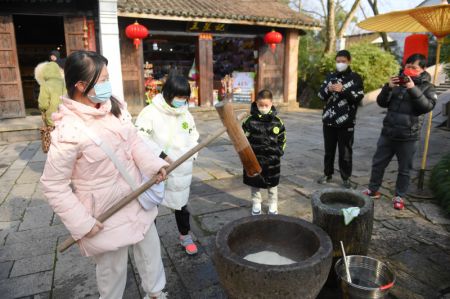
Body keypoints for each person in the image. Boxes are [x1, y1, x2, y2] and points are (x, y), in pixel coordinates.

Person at [40, 50, 169, 299]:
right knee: (112, 272)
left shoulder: (113, 108)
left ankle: (156, 294)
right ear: (80, 85)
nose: (108, 85)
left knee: (151, 255)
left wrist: (153, 165)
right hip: (104, 213)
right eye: (103, 80)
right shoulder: (68, 131)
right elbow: (53, 185)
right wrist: (82, 223)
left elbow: (134, 143)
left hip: (136, 197)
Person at [135, 73, 200, 255]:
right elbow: (140, 137)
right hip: (157, 167)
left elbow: (193, 137)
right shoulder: (150, 112)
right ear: (168, 93)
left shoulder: (185, 114)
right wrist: (161, 156)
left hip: (181, 168)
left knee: (181, 205)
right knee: (151, 206)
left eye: (185, 97)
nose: (182, 101)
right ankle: (149, 240)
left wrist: (192, 155)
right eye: (179, 97)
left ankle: (185, 235)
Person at [362, 53, 437, 210]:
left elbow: (427, 107)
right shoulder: (396, 82)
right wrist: (387, 87)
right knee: (378, 164)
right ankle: (373, 190)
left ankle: (399, 196)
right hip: (388, 132)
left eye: (413, 67)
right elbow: (382, 103)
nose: (409, 70)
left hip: (409, 136)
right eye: (407, 66)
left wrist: (412, 88)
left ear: (423, 69)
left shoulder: (428, 87)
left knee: (404, 169)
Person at [317, 50, 364, 188]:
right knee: (328, 150)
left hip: (346, 122)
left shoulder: (355, 78)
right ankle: (327, 173)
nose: (340, 64)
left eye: (343, 61)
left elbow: (358, 97)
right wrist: (328, 89)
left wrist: (343, 90)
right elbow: (320, 96)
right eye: (338, 61)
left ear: (349, 61)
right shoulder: (330, 76)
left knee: (345, 152)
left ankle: (345, 178)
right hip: (329, 121)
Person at [242, 89, 286, 215]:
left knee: (272, 185)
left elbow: (282, 139)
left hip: (272, 160)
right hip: (254, 158)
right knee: (255, 183)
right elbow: (243, 139)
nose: (263, 108)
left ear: (271, 104)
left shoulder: (277, 122)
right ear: (256, 103)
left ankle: (273, 203)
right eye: (261, 105)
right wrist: (247, 156)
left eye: (266, 105)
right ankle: (256, 203)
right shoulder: (249, 121)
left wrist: (278, 152)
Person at [35, 61, 66, 127]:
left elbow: (43, 105)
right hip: (66, 117)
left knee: (53, 136)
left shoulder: (45, 85)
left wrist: (42, 110)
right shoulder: (65, 83)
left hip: (52, 119)